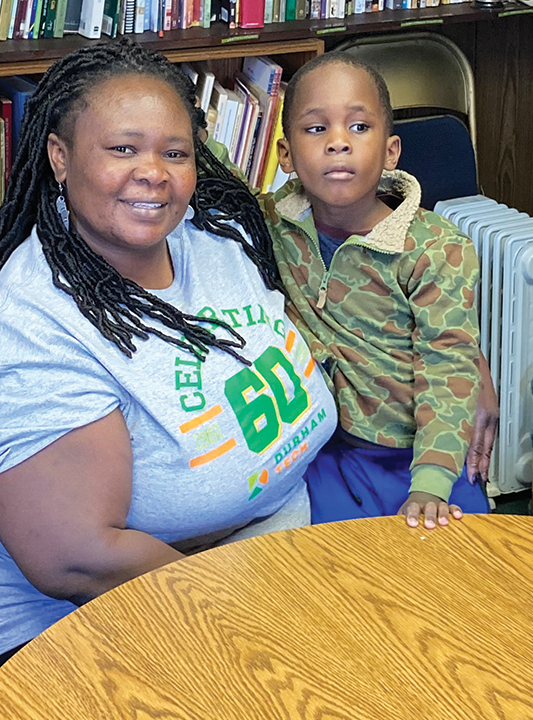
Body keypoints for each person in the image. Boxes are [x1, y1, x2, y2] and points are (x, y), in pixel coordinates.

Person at [0, 39, 337, 664]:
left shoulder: (215, 229)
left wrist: (453, 354)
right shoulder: (31, 316)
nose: (153, 172)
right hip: (108, 625)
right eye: (122, 148)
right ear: (59, 157)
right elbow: (76, 559)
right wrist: (258, 621)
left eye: (175, 152)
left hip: (281, 553)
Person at [262, 53, 488, 530]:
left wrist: (431, 481)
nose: (338, 143)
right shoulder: (271, 225)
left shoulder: (437, 249)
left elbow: (448, 363)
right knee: (337, 580)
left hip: (421, 456)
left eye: (359, 128)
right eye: (316, 129)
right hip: (327, 454)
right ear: (285, 155)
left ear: (390, 152)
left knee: (456, 576)